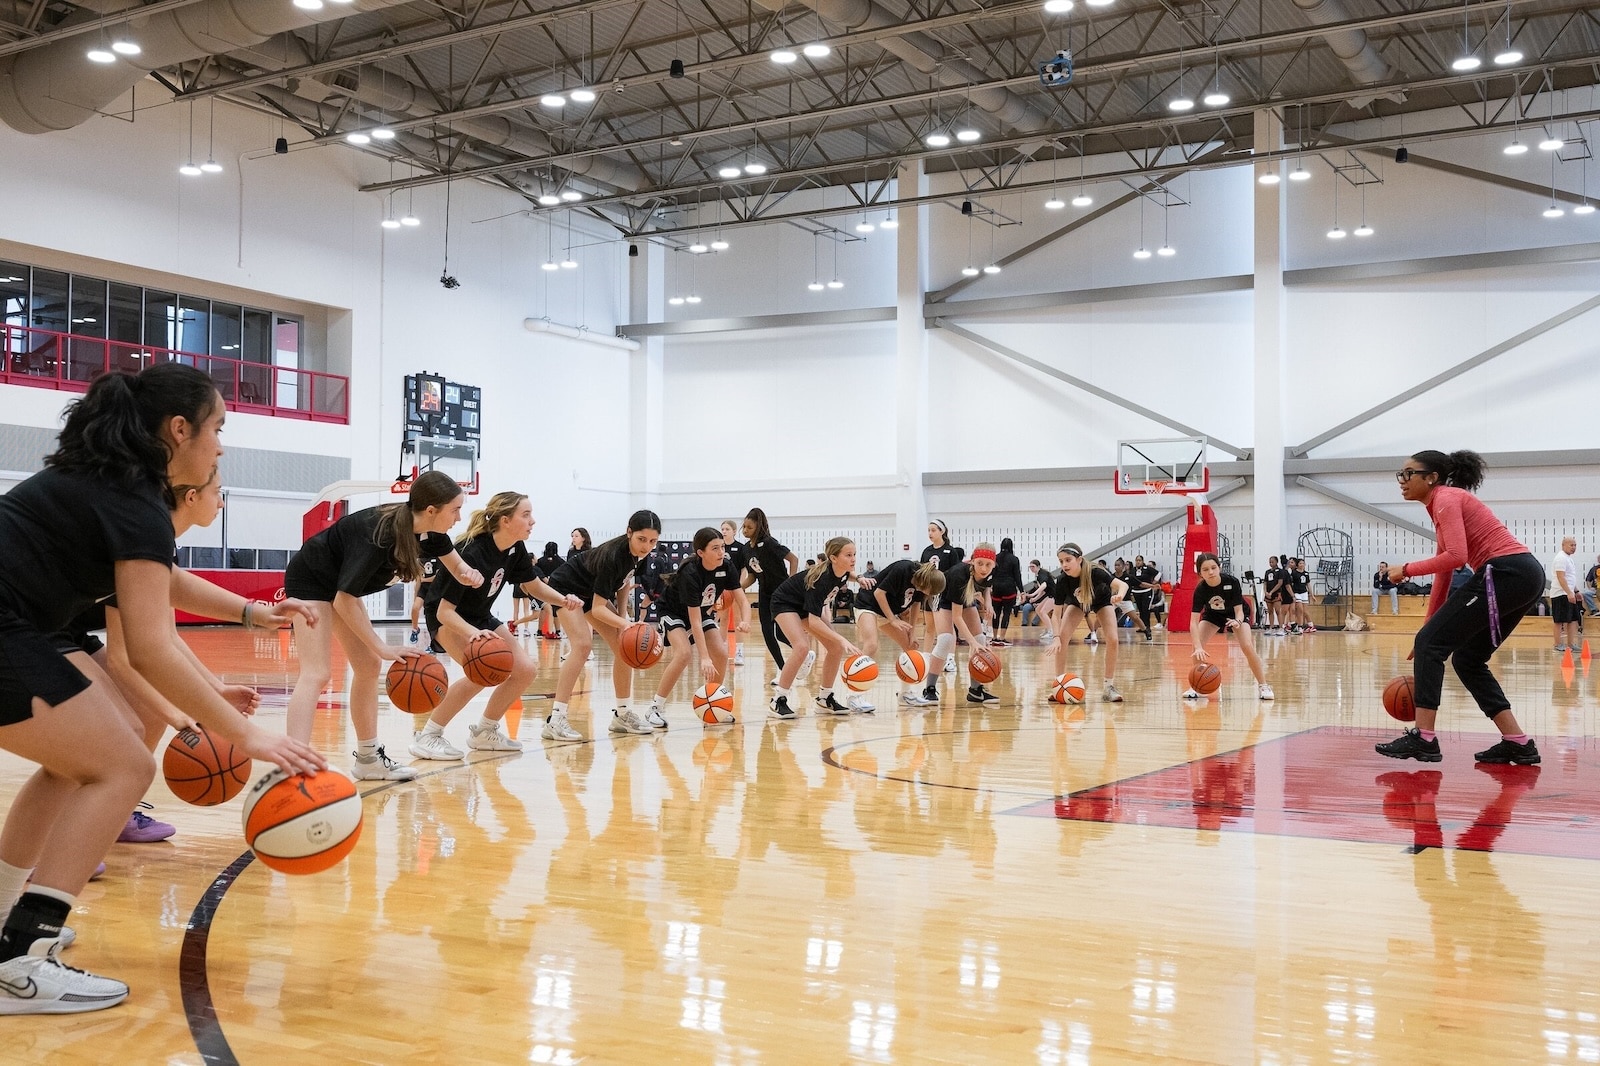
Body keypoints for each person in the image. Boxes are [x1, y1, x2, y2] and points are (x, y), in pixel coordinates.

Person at [0, 364, 323, 1014]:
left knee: (78, 765)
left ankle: (9, 929)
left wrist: (252, 614)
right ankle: (20, 961)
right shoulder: (136, 500)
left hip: (24, 626)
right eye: (218, 428)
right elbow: (148, 647)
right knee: (122, 766)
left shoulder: (113, 486)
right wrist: (248, 735)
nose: (222, 446)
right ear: (179, 430)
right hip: (10, 625)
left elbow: (163, 583)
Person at [283, 470, 483, 781]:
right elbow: (343, 600)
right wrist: (383, 645)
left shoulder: (432, 534)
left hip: (340, 587)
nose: (459, 517)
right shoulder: (379, 534)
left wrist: (472, 575)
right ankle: (293, 765)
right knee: (317, 672)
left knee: (367, 666)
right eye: (455, 509)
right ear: (431, 511)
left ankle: (367, 759)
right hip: (312, 580)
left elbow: (459, 568)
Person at [1375, 450, 1545, 766]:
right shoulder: (1441, 504)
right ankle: (1517, 741)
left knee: (1435, 646)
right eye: (1401, 473)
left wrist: (1406, 569)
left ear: (1431, 477)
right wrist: (1427, 630)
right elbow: (1445, 572)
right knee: (1467, 659)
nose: (1402, 480)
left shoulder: (1446, 498)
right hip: (1522, 575)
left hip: (1506, 572)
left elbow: (1455, 556)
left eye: (1409, 473)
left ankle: (1424, 738)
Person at [409, 494, 582, 760]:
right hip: (448, 617)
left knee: (525, 670)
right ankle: (429, 735)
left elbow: (532, 586)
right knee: (480, 673)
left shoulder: (515, 548)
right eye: (526, 515)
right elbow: (444, 612)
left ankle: (484, 731)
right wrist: (474, 634)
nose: (532, 520)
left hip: (480, 615)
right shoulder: (473, 552)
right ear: (505, 520)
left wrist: (563, 600)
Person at [544, 509, 664, 738]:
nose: (647, 546)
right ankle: (555, 720)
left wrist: (623, 621)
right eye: (641, 539)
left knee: (624, 647)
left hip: (589, 593)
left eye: (652, 541)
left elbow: (625, 583)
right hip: (566, 588)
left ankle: (622, 714)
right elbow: (598, 609)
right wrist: (625, 624)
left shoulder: (639, 554)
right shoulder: (614, 556)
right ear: (629, 532)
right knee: (582, 646)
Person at [645, 527, 749, 725]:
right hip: (673, 611)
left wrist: (744, 620)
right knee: (683, 654)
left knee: (720, 652)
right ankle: (655, 707)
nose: (721, 552)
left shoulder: (726, 566)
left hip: (700, 612)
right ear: (701, 553)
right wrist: (703, 658)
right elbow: (693, 621)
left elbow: (742, 600)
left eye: (722, 547)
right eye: (715, 548)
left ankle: (713, 701)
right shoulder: (690, 572)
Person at [766, 537, 864, 720]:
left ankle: (824, 699)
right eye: (848, 555)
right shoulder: (822, 579)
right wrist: (842, 638)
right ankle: (777, 700)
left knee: (835, 648)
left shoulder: (842, 571)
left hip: (803, 606)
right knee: (802, 647)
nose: (853, 559)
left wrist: (858, 578)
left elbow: (846, 575)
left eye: (854, 555)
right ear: (833, 558)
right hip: (784, 603)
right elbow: (814, 621)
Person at [851, 559, 944, 709]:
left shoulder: (922, 584)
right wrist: (893, 620)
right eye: (930, 592)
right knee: (872, 645)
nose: (929, 594)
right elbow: (879, 593)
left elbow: (915, 605)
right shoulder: (904, 568)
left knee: (911, 646)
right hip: (868, 603)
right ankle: (854, 695)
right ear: (926, 582)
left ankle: (905, 695)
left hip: (887, 612)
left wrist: (912, 632)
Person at [1182, 553, 1273, 701]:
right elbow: (1193, 622)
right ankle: (1197, 687)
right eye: (1205, 570)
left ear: (1219, 567)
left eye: (1213, 567)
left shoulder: (1232, 582)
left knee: (1247, 646)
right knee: (1196, 649)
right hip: (1213, 615)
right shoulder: (1201, 590)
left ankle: (1263, 685)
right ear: (1200, 573)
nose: (1210, 572)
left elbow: (1239, 611)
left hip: (1236, 614)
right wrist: (1198, 646)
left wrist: (1237, 621)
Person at [1046, 543, 1130, 703]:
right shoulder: (1062, 580)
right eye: (1061, 561)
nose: (1064, 564)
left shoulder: (1095, 572)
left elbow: (1122, 585)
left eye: (1067, 560)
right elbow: (1056, 615)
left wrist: (1119, 595)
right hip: (1077, 604)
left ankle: (1108, 687)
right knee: (1062, 639)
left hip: (1101, 602)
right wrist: (1055, 636)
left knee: (1113, 639)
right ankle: (1059, 685)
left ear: (1079, 559)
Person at [916, 544, 998, 706]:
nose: (984, 568)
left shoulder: (992, 570)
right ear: (973, 561)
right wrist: (971, 643)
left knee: (980, 638)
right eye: (980, 563)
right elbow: (956, 617)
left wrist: (988, 602)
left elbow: (987, 586)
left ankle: (975, 690)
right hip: (943, 598)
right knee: (946, 639)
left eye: (988, 564)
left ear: (994, 564)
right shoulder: (959, 575)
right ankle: (930, 688)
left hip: (965, 598)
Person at [741, 508, 799, 677]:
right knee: (767, 632)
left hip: (780, 592)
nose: (745, 531)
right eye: (744, 527)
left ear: (758, 527)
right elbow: (752, 576)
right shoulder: (746, 549)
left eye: (749, 528)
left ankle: (803, 652)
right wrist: (739, 588)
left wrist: (790, 582)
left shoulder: (769, 543)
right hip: (764, 592)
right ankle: (783, 669)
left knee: (781, 634)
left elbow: (793, 559)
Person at [719, 520, 749, 666]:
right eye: (722, 529)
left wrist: (741, 587)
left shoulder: (740, 548)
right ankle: (721, 650)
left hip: (736, 588)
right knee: (723, 620)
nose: (724, 531)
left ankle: (739, 652)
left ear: (734, 531)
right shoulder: (718, 548)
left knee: (737, 621)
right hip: (721, 589)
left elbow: (744, 570)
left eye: (727, 529)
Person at [988, 538, 1023, 645]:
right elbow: (1017, 576)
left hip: (997, 587)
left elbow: (991, 573)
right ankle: (1002, 638)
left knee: (996, 613)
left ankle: (994, 637)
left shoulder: (995, 558)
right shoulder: (1014, 559)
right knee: (1006, 613)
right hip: (1009, 588)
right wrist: (1022, 591)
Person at [1550, 536, 1583, 652]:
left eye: (1575, 545)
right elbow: (1561, 577)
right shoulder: (1561, 558)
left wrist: (1576, 591)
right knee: (1559, 620)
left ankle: (1570, 644)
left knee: (1573, 619)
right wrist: (1569, 592)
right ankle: (1557, 644)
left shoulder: (1568, 559)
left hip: (1569, 593)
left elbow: (1570, 578)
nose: (1573, 547)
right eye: (1571, 545)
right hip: (1560, 594)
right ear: (1563, 545)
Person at [1128, 554, 1160, 641]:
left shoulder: (1147, 569)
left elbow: (1158, 573)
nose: (1138, 562)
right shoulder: (1132, 570)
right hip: (1136, 592)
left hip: (1146, 591)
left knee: (1146, 610)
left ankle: (1147, 627)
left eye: (1139, 560)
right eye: (1136, 560)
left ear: (1142, 561)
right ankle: (1142, 627)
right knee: (1141, 610)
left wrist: (1154, 583)